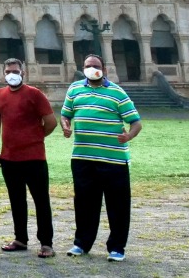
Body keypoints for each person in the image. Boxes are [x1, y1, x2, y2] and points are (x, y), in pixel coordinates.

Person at [60, 54, 142, 263]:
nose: (91, 69)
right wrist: (66, 125)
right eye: (88, 66)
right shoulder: (75, 89)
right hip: (83, 157)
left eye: (95, 66)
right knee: (84, 203)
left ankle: (117, 247)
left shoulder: (117, 93)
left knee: (118, 205)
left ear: (104, 69)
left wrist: (129, 136)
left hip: (113, 160)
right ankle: (81, 243)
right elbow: (65, 114)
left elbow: (136, 122)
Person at [0, 58, 57, 258]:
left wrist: (36, 136)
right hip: (9, 158)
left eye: (15, 71)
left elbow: (51, 122)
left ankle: (46, 243)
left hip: (34, 158)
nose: (12, 74)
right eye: (8, 71)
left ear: (23, 73)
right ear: (3, 74)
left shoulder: (34, 94)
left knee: (41, 201)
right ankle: (20, 239)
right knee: (16, 200)